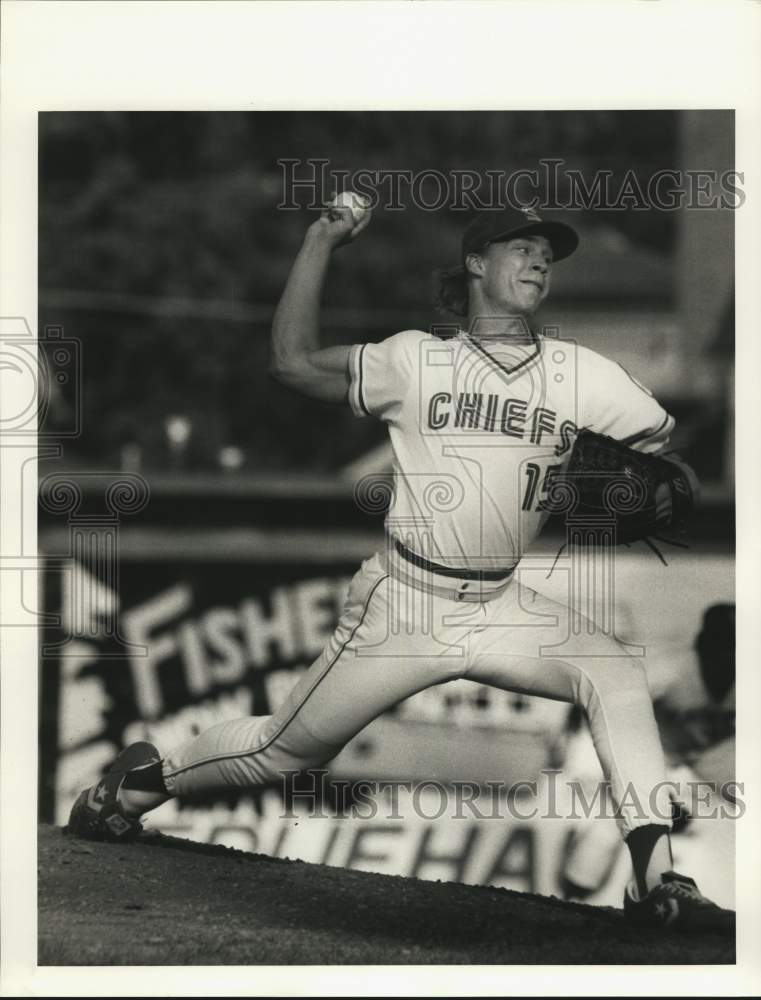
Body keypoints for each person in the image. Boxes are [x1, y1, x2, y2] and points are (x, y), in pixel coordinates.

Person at [68, 200, 733, 933]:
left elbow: (674, 462)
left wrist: (654, 485)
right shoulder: (415, 360)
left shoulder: (584, 374)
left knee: (614, 671)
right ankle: (134, 788)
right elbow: (289, 361)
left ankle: (654, 879)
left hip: (503, 605)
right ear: (477, 263)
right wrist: (321, 239)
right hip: (405, 603)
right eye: (521, 247)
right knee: (282, 754)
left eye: (548, 252)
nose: (540, 260)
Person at [560, 603, 736, 901]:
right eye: (725, 641)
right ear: (704, 642)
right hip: (652, 749)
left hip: (710, 754)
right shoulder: (669, 669)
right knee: (612, 821)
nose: (731, 651)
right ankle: (566, 900)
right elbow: (598, 693)